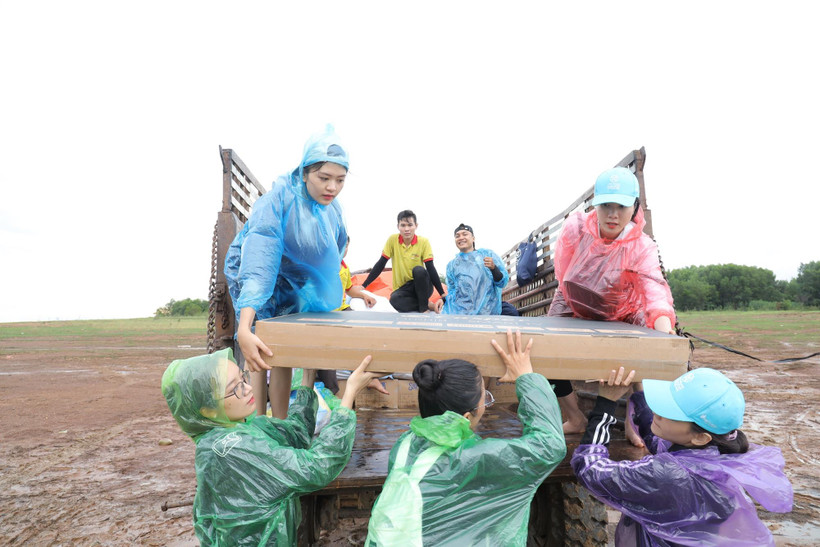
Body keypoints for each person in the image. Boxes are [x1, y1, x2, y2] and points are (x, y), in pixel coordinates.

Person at [365, 331, 567, 546]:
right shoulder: (476, 459)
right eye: (484, 398)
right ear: (467, 417)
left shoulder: (405, 445)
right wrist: (527, 378)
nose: (485, 404)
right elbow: (550, 445)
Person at [161, 348, 380, 546]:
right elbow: (316, 466)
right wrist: (349, 394)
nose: (247, 389)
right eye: (235, 388)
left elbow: (294, 432)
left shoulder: (233, 431)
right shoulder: (235, 449)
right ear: (207, 410)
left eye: (243, 379)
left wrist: (308, 376)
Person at [571, 366, 793, 546]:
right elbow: (662, 440)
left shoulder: (666, 475)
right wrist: (640, 390)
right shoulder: (720, 453)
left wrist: (606, 404)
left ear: (700, 437)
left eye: (669, 412)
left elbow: (590, 468)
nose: (658, 413)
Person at [224, 125, 349, 419]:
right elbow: (260, 260)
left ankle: (279, 422)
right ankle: (261, 420)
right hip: (257, 272)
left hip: (293, 281)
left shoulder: (332, 211)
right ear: (305, 172)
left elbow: (334, 254)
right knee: (265, 348)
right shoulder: (278, 202)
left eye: (340, 180)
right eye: (324, 178)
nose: (332, 187)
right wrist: (244, 327)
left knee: (282, 354)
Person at [548, 166, 677, 441]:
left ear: (634, 208)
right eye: (606, 205)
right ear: (596, 204)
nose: (612, 214)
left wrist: (665, 332)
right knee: (547, 348)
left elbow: (654, 289)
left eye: (621, 206)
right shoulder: (577, 228)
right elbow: (563, 269)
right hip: (576, 298)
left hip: (622, 308)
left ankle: (636, 421)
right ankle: (575, 417)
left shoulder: (641, 245)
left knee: (645, 346)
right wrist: (581, 298)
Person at [362, 210, 447, 313]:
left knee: (419, 270)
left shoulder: (423, 242)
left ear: (416, 226)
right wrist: (364, 285)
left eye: (410, 225)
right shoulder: (392, 240)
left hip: (422, 285)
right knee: (394, 300)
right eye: (403, 225)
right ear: (398, 226)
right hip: (404, 289)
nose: (406, 229)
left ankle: (423, 308)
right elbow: (381, 264)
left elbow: (430, 268)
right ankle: (428, 304)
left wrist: (442, 293)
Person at [441, 223, 509, 315]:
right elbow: (452, 291)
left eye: (465, 234)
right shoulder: (452, 265)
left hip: (487, 314)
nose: (461, 237)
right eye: (457, 236)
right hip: (462, 315)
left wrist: (494, 268)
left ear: (473, 238)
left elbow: (502, 282)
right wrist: (443, 300)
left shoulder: (487, 255)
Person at [336, 236, 377, 311]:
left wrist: (364, 295)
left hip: (341, 309)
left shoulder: (345, 268)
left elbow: (349, 289)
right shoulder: (321, 265)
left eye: (345, 246)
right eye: (339, 245)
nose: (342, 249)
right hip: (322, 311)